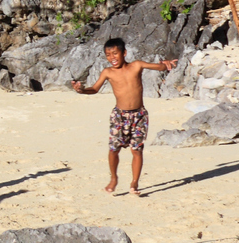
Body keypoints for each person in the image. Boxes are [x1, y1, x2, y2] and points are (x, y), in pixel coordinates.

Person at [73, 38, 178, 196]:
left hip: (139, 115)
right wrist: (81, 90)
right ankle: (114, 178)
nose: (112, 57)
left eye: (115, 53)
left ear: (124, 53)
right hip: (119, 116)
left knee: (137, 150)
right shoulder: (108, 72)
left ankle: (134, 183)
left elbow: (159, 67)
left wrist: (167, 63)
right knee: (114, 149)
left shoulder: (136, 65)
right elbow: (94, 89)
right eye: (108, 55)